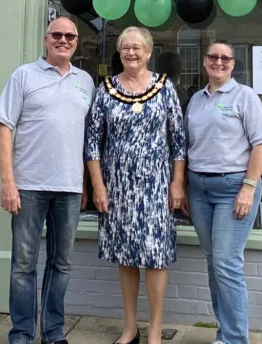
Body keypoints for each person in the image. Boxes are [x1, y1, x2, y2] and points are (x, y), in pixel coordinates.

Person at [0, 17, 95, 344]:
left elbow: (87, 139)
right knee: (23, 266)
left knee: (61, 265)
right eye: (57, 35)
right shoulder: (23, 75)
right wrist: (8, 182)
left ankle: (53, 333)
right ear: (45, 39)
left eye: (70, 36)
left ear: (76, 42)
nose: (63, 40)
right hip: (28, 186)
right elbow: (3, 130)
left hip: (69, 188)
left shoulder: (86, 82)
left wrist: (86, 185)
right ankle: (22, 333)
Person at [85, 26, 187, 344]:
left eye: (137, 47)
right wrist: (98, 186)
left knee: (155, 257)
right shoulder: (105, 89)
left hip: (156, 188)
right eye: (126, 47)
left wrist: (177, 184)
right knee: (126, 255)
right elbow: (91, 143)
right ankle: (130, 327)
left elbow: (179, 141)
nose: (131, 53)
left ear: (149, 51)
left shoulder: (164, 87)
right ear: (119, 52)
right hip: (118, 189)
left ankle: (155, 329)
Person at [184, 40, 262, 344]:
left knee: (226, 262)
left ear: (233, 64)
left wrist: (248, 188)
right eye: (213, 57)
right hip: (199, 189)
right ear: (205, 61)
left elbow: (261, 144)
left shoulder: (244, 96)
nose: (218, 62)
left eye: (225, 58)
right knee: (214, 262)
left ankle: (235, 339)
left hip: (233, 189)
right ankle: (224, 333)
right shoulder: (196, 99)